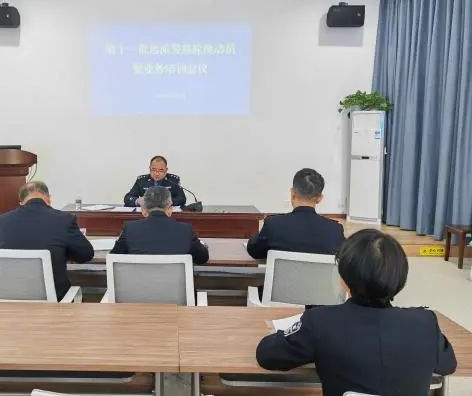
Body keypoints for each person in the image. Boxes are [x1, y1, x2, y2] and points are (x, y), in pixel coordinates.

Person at [255, 229, 457, 396]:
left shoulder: (320, 321)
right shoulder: (425, 323)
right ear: (400, 278)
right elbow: (448, 365)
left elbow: (267, 355)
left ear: (343, 280)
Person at [0, 181, 94, 301]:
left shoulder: (3, 220)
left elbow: (0, 253)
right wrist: (63, 252)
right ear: (49, 199)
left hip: (8, 297)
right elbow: (86, 255)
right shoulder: (64, 219)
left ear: (21, 202)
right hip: (53, 301)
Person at [247, 168, 344, 259]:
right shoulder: (335, 230)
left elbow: (254, 251)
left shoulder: (273, 224)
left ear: (292, 194)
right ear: (319, 198)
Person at [112, 186, 209, 264]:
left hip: (139, 283)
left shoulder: (130, 229)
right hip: (173, 283)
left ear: (143, 210)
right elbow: (202, 259)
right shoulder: (185, 230)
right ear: (170, 209)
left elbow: (114, 257)